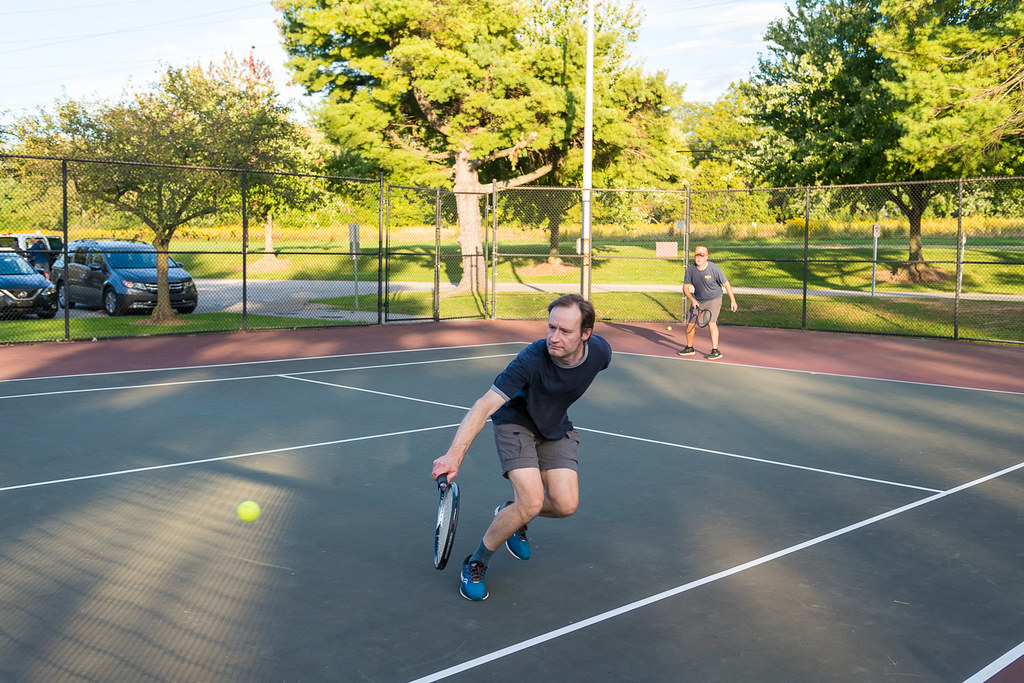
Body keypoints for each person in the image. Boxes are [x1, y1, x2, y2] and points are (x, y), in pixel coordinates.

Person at [431, 294, 612, 601]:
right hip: (515, 423)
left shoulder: (600, 354)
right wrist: (453, 455)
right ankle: (476, 562)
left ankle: (510, 514)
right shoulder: (531, 360)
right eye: (551, 327)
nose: (554, 337)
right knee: (529, 501)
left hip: (555, 426)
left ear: (586, 334)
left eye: (565, 331)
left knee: (566, 505)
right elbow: (484, 406)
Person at [676, 245, 737, 360]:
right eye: (697, 255)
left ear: (706, 257)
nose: (698, 258)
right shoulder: (690, 270)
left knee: (711, 322)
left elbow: (727, 284)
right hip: (698, 299)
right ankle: (689, 348)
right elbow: (685, 288)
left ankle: (715, 350)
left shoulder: (714, 269)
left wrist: (732, 300)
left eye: (701, 256)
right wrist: (692, 299)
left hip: (714, 298)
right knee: (690, 324)